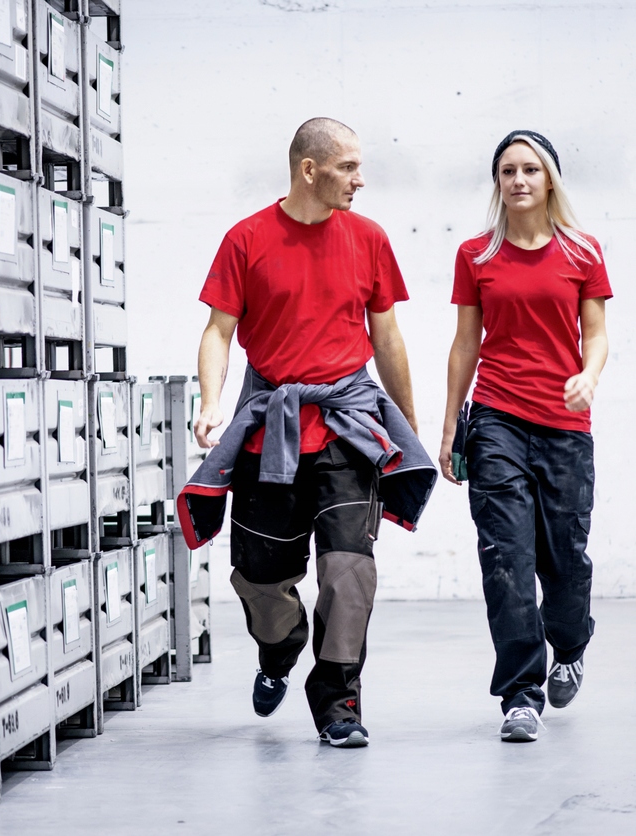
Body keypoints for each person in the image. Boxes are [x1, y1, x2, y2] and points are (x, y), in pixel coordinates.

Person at [177, 118, 437, 748]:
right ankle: (279, 649)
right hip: (271, 430)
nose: (359, 179)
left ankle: (338, 703)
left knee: (350, 572)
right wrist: (211, 402)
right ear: (309, 169)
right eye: (348, 167)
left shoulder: (369, 239)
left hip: (348, 430)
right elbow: (218, 332)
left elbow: (387, 337)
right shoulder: (246, 239)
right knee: (259, 579)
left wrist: (406, 424)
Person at [439, 130, 612, 742]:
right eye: (508, 170)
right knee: (506, 560)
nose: (518, 180)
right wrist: (450, 426)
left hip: (565, 425)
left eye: (530, 170)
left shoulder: (582, 251)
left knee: (564, 561)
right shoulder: (476, 255)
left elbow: (596, 333)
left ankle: (571, 643)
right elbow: (466, 344)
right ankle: (520, 693)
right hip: (497, 420)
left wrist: (589, 376)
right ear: (497, 181)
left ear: (550, 180)